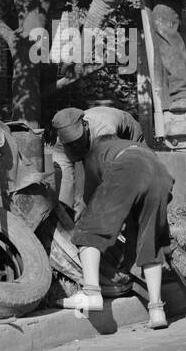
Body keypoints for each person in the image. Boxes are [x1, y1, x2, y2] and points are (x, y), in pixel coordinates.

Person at [56, 120, 175, 330]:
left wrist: (93, 224)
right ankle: (157, 310)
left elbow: (92, 204)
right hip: (161, 175)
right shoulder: (130, 145)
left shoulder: (95, 153)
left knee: (89, 228)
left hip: (129, 169)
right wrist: (164, 243)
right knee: (149, 243)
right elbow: (155, 219)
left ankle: (91, 293)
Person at [50, 104, 143, 214]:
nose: (74, 146)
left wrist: (87, 207)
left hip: (128, 135)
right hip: (93, 142)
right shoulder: (61, 144)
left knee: (136, 179)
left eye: (77, 139)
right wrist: (65, 213)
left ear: (85, 125)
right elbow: (65, 180)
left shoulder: (105, 130)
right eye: (70, 143)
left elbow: (106, 178)